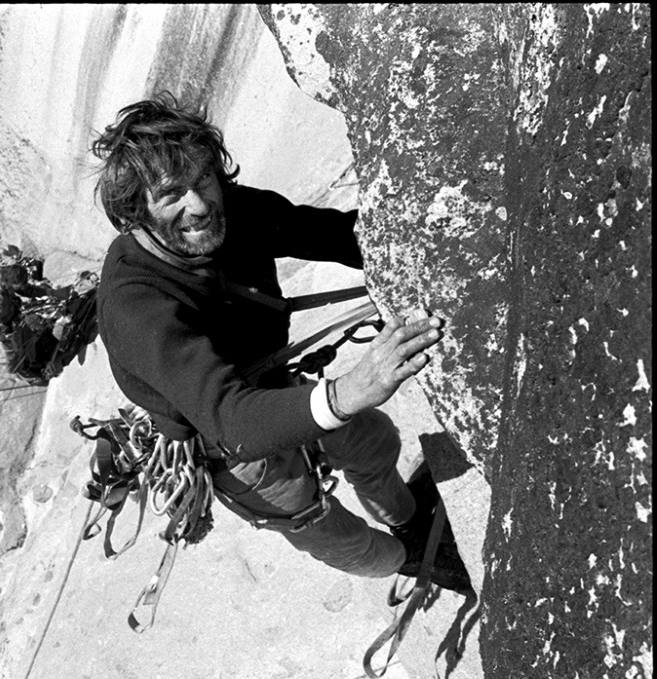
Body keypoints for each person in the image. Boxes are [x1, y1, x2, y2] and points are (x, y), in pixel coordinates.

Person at [89, 92, 468, 590]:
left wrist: (430, 247)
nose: (199, 205)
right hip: (223, 432)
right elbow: (229, 419)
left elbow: (332, 235)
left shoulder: (234, 210)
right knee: (321, 524)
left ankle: (408, 521)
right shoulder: (134, 304)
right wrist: (346, 392)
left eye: (203, 177)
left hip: (267, 382)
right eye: (170, 195)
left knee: (374, 441)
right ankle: (408, 560)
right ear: (137, 211)